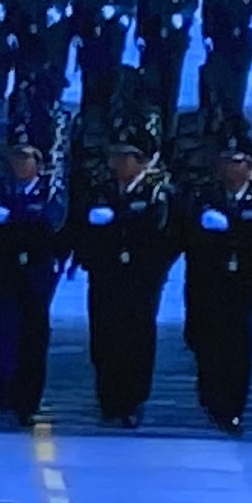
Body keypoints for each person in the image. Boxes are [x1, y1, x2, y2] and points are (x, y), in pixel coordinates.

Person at [75, 137, 177, 429]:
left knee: (136, 337)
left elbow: (165, 234)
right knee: (103, 335)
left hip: (140, 276)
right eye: (115, 157)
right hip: (105, 273)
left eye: (125, 157)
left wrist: (152, 267)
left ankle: (133, 400)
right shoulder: (101, 189)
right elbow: (83, 228)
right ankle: (108, 398)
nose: (117, 163)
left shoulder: (156, 193)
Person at [179, 139, 252, 433]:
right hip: (209, 283)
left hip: (244, 284)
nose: (231, 168)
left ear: (251, 168)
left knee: (239, 346)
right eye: (227, 161)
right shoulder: (205, 196)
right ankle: (210, 395)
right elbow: (186, 235)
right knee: (207, 342)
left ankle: (232, 408)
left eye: (238, 162)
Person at [0, 138, 69, 427]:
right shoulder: (0, 191)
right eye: (16, 159)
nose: (20, 164)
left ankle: (28, 399)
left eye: (26, 159)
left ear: (37, 165)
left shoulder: (49, 190)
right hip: (6, 270)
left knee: (33, 336)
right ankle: (4, 395)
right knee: (4, 334)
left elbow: (50, 220)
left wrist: (14, 217)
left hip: (36, 272)